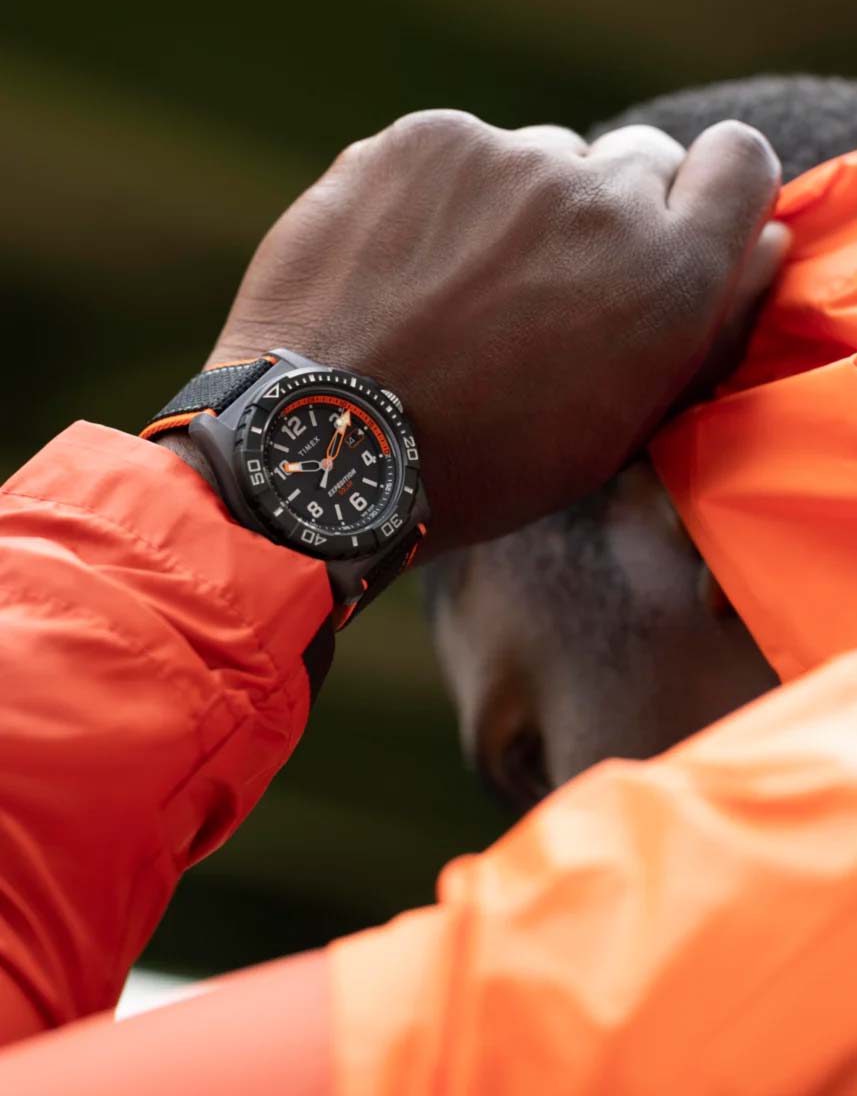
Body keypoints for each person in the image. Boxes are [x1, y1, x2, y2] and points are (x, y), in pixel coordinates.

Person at [0, 102, 833, 1094]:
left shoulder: (634, 994)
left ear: (692, 525)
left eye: (522, 762)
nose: (523, 839)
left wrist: (219, 504)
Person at [426, 74, 857, 811]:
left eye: (528, 763)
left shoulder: (668, 874)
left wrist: (251, 464)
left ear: (706, 496)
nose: (537, 829)